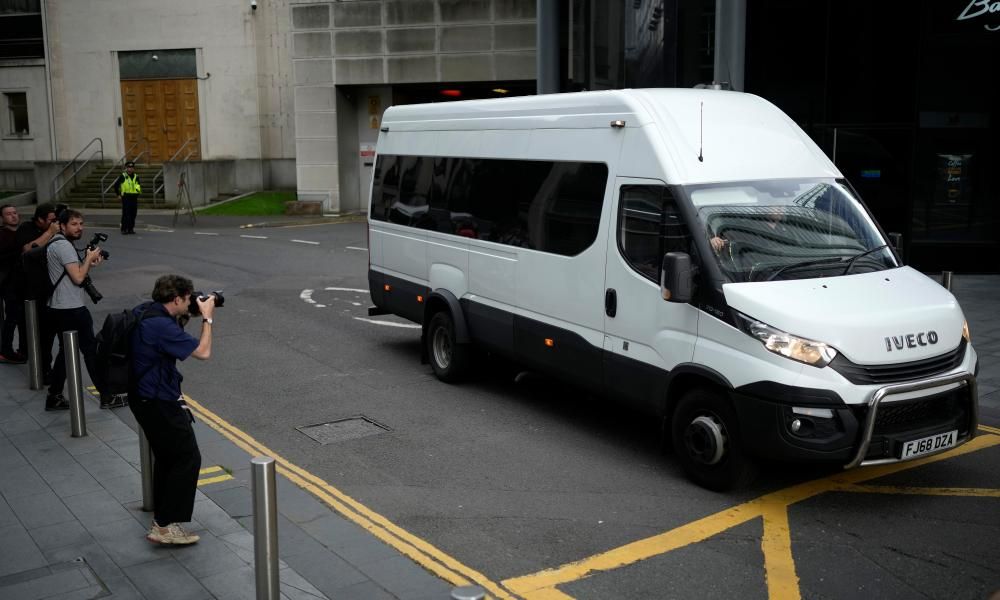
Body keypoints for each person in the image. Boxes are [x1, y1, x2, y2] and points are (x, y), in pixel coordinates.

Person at [130, 274, 215, 546]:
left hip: (145, 397)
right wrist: (207, 318)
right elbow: (203, 353)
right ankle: (165, 525)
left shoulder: (147, 311)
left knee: (168, 459)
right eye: (188, 299)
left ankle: (163, 519)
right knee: (187, 458)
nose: (191, 302)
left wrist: (187, 313)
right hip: (158, 401)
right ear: (177, 299)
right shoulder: (159, 325)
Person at [45, 209, 108, 411]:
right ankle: (106, 395)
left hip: (60, 306)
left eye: (81, 223)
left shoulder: (60, 243)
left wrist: (90, 263)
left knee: (66, 353)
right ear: (62, 226)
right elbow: (78, 278)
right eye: (74, 224)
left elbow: (74, 272)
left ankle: (54, 396)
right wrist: (89, 259)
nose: (79, 228)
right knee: (90, 350)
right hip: (70, 308)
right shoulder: (63, 246)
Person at [14, 203, 60, 376]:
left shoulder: (56, 231)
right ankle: (35, 363)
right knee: (32, 329)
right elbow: (27, 249)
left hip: (48, 288)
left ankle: (45, 368)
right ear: (40, 220)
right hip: (28, 289)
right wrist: (49, 233)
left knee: (47, 332)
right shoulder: (26, 228)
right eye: (51, 220)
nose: (54, 223)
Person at [0, 204, 26, 363]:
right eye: (9, 214)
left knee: (22, 318)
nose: (13, 216)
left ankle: (23, 349)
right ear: (3, 218)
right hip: (9, 284)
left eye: (15, 213)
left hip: (23, 284)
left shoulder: (22, 232)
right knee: (12, 318)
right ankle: (6, 351)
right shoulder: (2, 235)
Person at [114, 161, 141, 235]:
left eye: (132, 168)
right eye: (129, 167)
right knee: (126, 214)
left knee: (133, 214)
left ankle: (131, 229)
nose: (130, 169)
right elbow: (116, 185)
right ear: (126, 168)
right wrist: (118, 195)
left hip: (134, 197)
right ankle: (124, 229)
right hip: (126, 197)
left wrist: (137, 193)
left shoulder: (136, 176)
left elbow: (138, 186)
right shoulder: (123, 176)